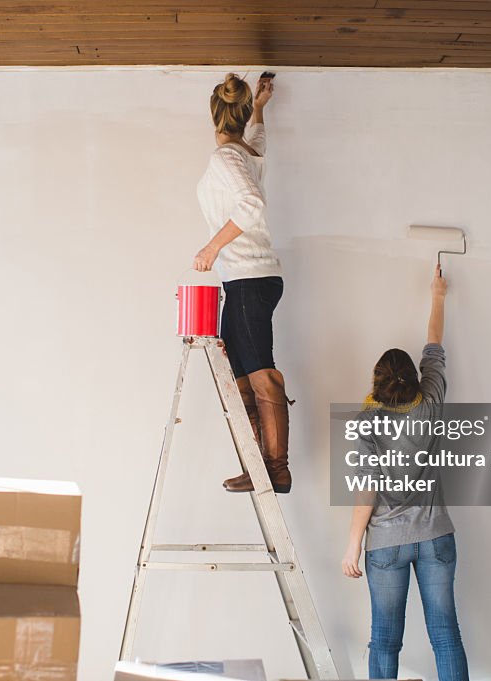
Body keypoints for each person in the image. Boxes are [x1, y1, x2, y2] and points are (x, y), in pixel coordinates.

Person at [341, 265, 469, 681]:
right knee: (446, 636)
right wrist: (437, 293)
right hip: (436, 537)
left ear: (376, 382)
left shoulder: (366, 421)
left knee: (384, 640)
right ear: (413, 378)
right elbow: (434, 343)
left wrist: (352, 546)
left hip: (387, 545)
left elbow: (367, 492)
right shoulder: (430, 398)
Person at [194, 72, 292, 494]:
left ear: (214, 115)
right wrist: (260, 109)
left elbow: (252, 204)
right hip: (246, 278)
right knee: (239, 374)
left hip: (249, 276)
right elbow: (259, 143)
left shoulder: (227, 159)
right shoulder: (247, 153)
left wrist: (212, 248)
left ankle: (276, 469)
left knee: (260, 374)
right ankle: (259, 465)